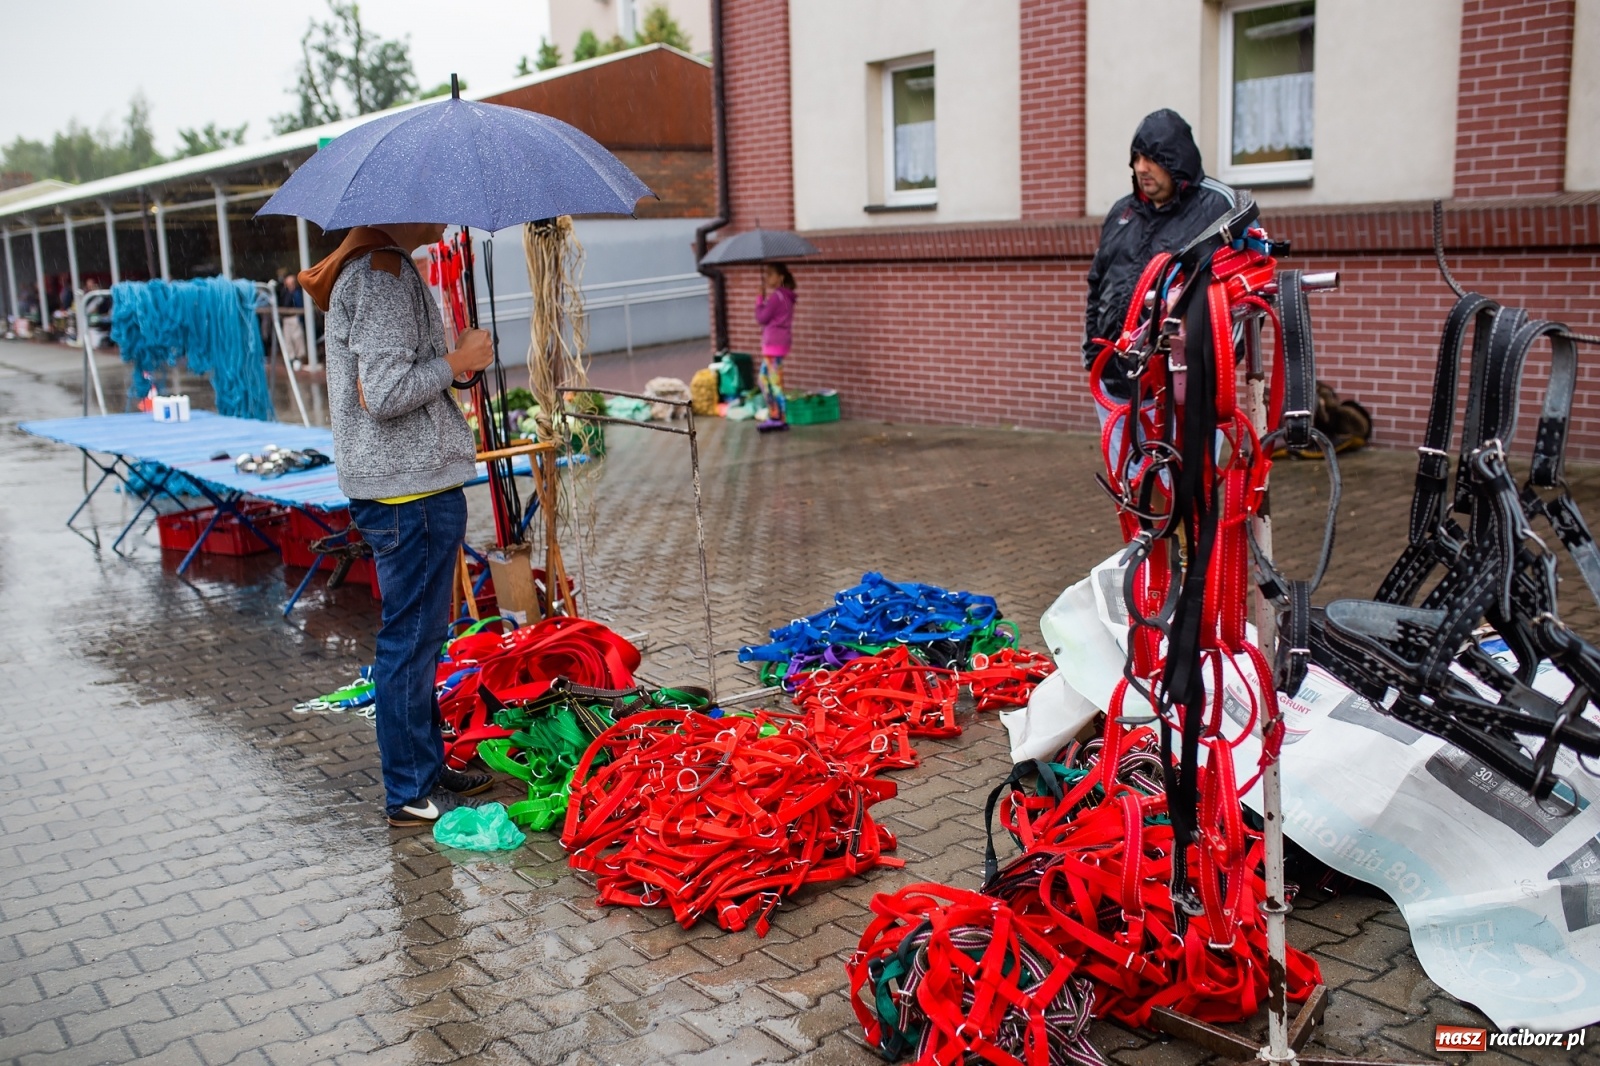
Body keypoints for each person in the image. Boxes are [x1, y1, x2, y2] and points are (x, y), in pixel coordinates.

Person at [299, 223, 497, 828]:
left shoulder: (383, 269)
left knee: (422, 639)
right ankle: (409, 789)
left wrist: (454, 368)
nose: (443, 220)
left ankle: (426, 765)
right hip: (407, 491)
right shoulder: (381, 276)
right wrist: (457, 360)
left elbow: (390, 379)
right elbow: (384, 394)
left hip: (407, 484)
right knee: (409, 641)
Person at [1083, 109, 1236, 416]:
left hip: (1181, 388)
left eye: (1152, 159)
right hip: (1115, 384)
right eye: (1136, 159)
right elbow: (1098, 284)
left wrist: (1218, 366)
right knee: (1122, 467)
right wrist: (1092, 355)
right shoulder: (1121, 212)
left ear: (1176, 159)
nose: (1142, 168)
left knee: (1185, 467)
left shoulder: (1219, 206)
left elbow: (1242, 292)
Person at [754, 263, 796, 432]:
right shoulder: (786, 296)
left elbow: (762, 317)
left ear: (781, 277)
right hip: (777, 344)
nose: (767, 278)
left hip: (774, 345)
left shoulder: (777, 297)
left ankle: (779, 418)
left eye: (771, 274)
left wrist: (759, 300)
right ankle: (775, 415)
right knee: (764, 380)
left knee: (773, 382)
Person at [278, 271, 308, 364]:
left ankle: (299, 357)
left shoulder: (297, 292)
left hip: (295, 317)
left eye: (290, 282)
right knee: (288, 339)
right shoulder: (284, 292)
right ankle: (290, 357)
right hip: (286, 318)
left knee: (297, 338)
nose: (289, 284)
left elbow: (299, 304)